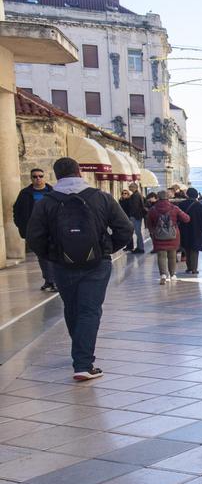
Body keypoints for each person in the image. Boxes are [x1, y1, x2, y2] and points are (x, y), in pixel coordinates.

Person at [25, 157, 132, 380]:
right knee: (89, 310)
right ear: (79, 172)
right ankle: (83, 362)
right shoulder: (101, 198)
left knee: (72, 307)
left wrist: (52, 255)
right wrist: (107, 248)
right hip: (97, 264)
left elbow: (34, 236)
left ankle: (80, 353)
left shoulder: (46, 202)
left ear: (56, 175)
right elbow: (125, 228)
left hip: (62, 265)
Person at [13, 167, 58, 291]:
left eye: (40, 176)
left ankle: (52, 280)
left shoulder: (52, 192)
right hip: (34, 230)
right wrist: (21, 226)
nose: (38, 178)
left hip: (51, 229)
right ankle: (49, 280)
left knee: (52, 254)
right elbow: (17, 211)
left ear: (44, 177)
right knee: (42, 256)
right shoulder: (25, 194)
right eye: (35, 176)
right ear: (31, 178)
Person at [145, 189, 189, 284]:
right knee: (172, 256)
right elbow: (186, 219)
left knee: (161, 256)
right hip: (173, 235)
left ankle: (163, 275)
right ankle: (172, 275)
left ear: (157, 198)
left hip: (158, 235)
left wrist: (153, 231)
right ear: (168, 197)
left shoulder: (153, 209)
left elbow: (148, 223)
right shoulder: (174, 208)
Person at [177, 187, 202, 276]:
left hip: (184, 229)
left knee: (187, 248)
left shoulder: (181, 204)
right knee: (195, 249)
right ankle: (194, 268)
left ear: (187, 195)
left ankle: (189, 267)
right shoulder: (200, 206)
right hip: (197, 230)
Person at [119, 182, 147, 255]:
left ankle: (140, 248)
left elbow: (134, 207)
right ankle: (139, 247)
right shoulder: (137, 195)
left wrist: (132, 216)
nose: (129, 188)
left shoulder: (135, 196)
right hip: (137, 216)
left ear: (134, 188)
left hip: (135, 217)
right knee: (137, 233)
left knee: (138, 233)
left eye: (130, 187)